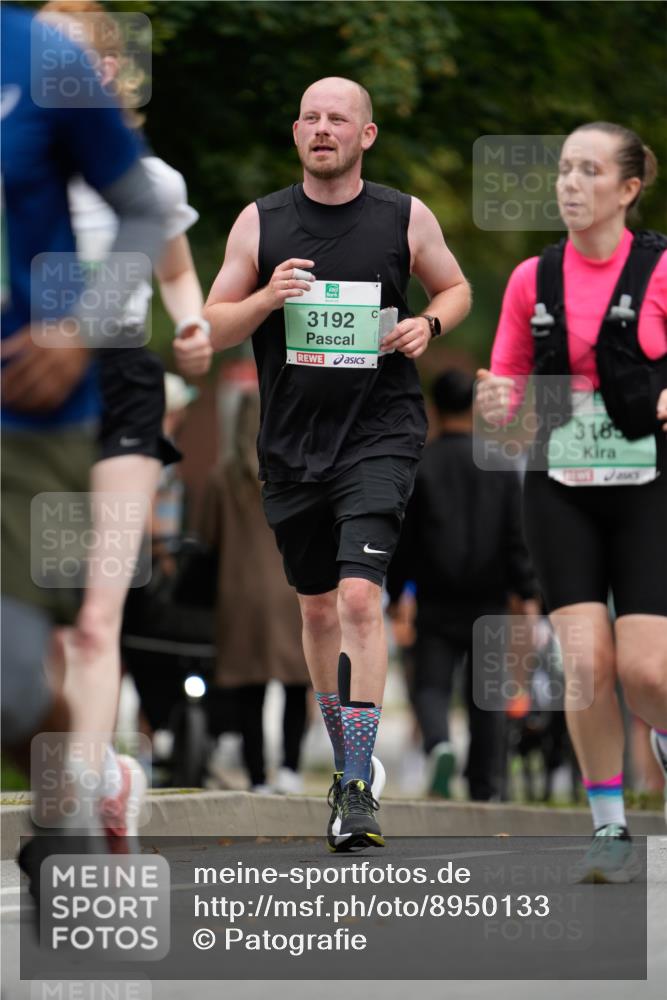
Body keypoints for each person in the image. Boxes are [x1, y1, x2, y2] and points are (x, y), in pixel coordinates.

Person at [203, 76, 471, 850]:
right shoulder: (260, 222)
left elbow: (452, 288)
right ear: (296, 134)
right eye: (311, 119)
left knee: (359, 597)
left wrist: (426, 322)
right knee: (317, 607)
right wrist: (265, 301)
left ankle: (355, 781)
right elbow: (216, 325)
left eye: (338, 119)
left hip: (379, 432)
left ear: (366, 135)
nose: (323, 129)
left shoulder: (401, 215)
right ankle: (343, 767)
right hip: (289, 445)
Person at [36, 0, 211, 848]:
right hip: (30, 392)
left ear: (108, 74)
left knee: (97, 617)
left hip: (124, 386)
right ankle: (104, 772)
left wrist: (191, 324)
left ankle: (72, 805)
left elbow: (178, 273)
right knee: (46, 627)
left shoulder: (153, 179)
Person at [1, 1, 166, 886]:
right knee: (67, 636)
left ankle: (85, 778)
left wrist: (84, 328)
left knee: (88, 623)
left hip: (81, 390)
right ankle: (82, 777)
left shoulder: (56, 92)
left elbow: (178, 279)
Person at [477, 122, 667, 879]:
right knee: (586, 664)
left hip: (648, 485)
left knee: (645, 670)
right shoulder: (532, 279)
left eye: (588, 171)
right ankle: (610, 828)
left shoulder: (658, 270)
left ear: (625, 189)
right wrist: (499, 403)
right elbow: (507, 390)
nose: (568, 183)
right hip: (559, 487)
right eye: (562, 169)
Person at [387, 369, 539, 801]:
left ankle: (439, 744)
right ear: (474, 407)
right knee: (486, 696)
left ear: (433, 407)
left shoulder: (421, 466)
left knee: (430, 685)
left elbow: (406, 540)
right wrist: (525, 593)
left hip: (435, 598)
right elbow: (516, 539)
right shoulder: (501, 465)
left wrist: (398, 596)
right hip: (489, 599)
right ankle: (483, 786)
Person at [200, 391, 311, 794]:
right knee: (297, 681)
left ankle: (258, 776)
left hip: (239, 595)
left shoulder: (222, 477)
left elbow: (206, 537)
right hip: (291, 588)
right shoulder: (297, 467)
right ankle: (291, 769)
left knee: (251, 687)